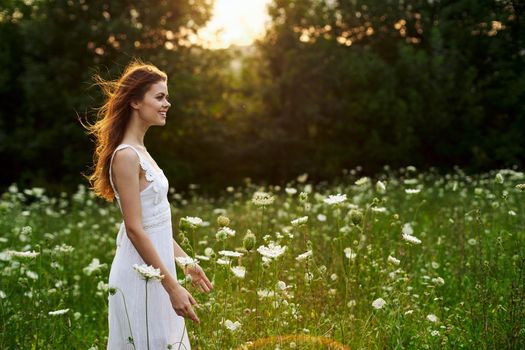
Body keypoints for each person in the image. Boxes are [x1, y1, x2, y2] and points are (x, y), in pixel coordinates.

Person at [83, 59, 213, 349]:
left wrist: (187, 264)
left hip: (159, 268)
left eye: (166, 96)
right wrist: (172, 287)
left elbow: (156, 224)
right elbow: (134, 229)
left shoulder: (142, 152)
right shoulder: (126, 155)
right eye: (160, 97)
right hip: (140, 274)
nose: (167, 103)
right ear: (135, 103)